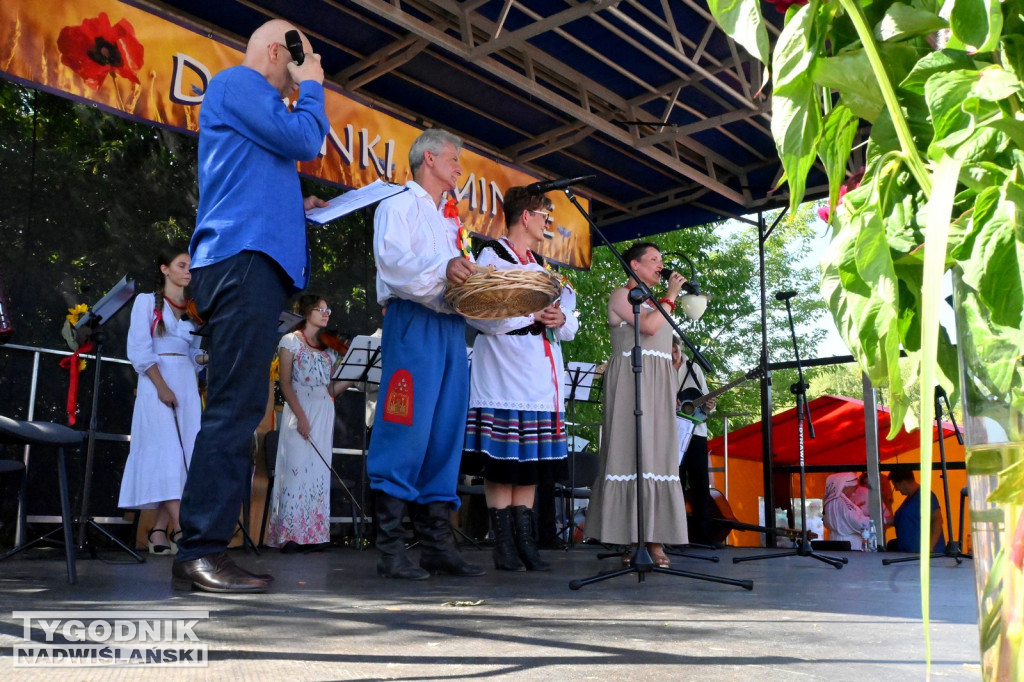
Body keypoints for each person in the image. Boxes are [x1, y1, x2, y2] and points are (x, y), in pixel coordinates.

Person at [172, 19, 331, 593]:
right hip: (241, 261)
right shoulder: (238, 84)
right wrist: (311, 85)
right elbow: (306, 139)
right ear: (276, 52)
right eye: (301, 57)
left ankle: (205, 548)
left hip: (249, 261)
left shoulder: (254, 108)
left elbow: (265, 166)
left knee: (240, 408)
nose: (305, 69)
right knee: (235, 410)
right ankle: (200, 551)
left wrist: (296, 201)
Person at [367, 128, 484, 580]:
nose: (459, 167)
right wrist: (445, 267)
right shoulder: (397, 205)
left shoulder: (452, 221)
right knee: (405, 427)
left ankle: (437, 544)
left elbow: (456, 276)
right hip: (413, 322)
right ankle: (391, 549)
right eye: (454, 159)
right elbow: (393, 265)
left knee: (445, 431)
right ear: (429, 159)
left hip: (452, 328)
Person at [462, 186, 577, 572]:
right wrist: (529, 317)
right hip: (504, 373)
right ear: (525, 217)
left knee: (528, 462)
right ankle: (503, 543)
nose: (549, 221)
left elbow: (569, 321)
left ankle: (526, 542)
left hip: (539, 378)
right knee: (502, 462)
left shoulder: (543, 268)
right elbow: (478, 314)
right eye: (544, 214)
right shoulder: (492, 257)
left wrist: (559, 320)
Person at [585, 242, 689, 567]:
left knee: (659, 455)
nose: (661, 265)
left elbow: (662, 341)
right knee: (633, 452)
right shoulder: (621, 295)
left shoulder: (657, 302)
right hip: (631, 380)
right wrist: (671, 295)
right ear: (635, 264)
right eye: (654, 260)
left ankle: (656, 539)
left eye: (662, 259)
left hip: (658, 383)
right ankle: (633, 540)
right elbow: (648, 327)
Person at [119, 248, 206, 555]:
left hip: (186, 387)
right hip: (157, 386)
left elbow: (194, 356)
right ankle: (186, 533)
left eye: (191, 267)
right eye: (182, 265)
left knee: (182, 459)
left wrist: (207, 356)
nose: (188, 272)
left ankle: (158, 532)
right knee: (167, 454)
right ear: (165, 269)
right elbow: (139, 351)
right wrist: (161, 386)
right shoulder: (145, 302)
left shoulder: (193, 309)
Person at [266, 294, 352, 553]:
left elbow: (331, 389)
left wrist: (355, 374)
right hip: (300, 408)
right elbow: (285, 383)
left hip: (323, 411)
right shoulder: (290, 341)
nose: (326, 314)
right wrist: (301, 417)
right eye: (319, 309)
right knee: (295, 471)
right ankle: (290, 535)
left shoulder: (329, 349)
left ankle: (313, 535)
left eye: (328, 309)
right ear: (305, 313)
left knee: (317, 474)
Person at [672, 335, 717, 546]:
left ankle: (704, 537)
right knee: (676, 483)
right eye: (669, 352)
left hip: (696, 432)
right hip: (671, 433)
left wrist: (709, 404)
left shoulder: (694, 369)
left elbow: (707, 399)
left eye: (676, 351)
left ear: (681, 349)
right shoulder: (659, 367)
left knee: (700, 483)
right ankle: (677, 536)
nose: (673, 356)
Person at [889, 469, 946, 553]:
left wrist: (930, 547)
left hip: (927, 554)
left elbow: (937, 521)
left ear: (903, 482)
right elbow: (905, 520)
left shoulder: (925, 496)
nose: (896, 489)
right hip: (908, 553)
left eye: (895, 485)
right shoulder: (908, 500)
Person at [823, 472, 871, 548]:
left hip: (837, 542)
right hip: (848, 545)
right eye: (854, 487)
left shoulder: (831, 501)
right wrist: (873, 520)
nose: (855, 491)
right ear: (846, 485)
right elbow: (858, 523)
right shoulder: (841, 501)